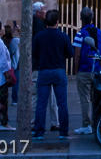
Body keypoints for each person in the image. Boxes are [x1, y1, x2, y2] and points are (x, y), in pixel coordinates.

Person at [33, 9, 73, 140]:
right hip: (59, 70)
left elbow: (35, 53)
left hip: (44, 70)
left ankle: (39, 131)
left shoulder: (39, 36)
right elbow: (70, 53)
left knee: (41, 103)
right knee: (62, 103)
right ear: (57, 22)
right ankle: (63, 131)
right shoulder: (63, 36)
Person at [73, 6, 101, 136]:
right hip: (97, 69)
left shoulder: (80, 34)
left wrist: (76, 69)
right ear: (92, 18)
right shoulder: (100, 32)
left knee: (84, 98)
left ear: (81, 19)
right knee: (96, 98)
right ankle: (97, 122)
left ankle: (86, 124)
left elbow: (77, 54)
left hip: (84, 69)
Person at [32, 2, 59, 131]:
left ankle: (36, 122)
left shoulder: (37, 25)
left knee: (38, 97)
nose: (45, 11)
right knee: (47, 98)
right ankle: (55, 122)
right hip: (43, 67)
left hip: (40, 67)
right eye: (43, 10)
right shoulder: (39, 25)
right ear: (38, 12)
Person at [4, 24, 20, 106]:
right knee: (16, 82)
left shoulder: (4, 40)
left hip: (8, 63)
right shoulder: (15, 40)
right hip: (15, 63)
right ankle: (15, 99)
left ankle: (12, 99)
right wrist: (19, 31)